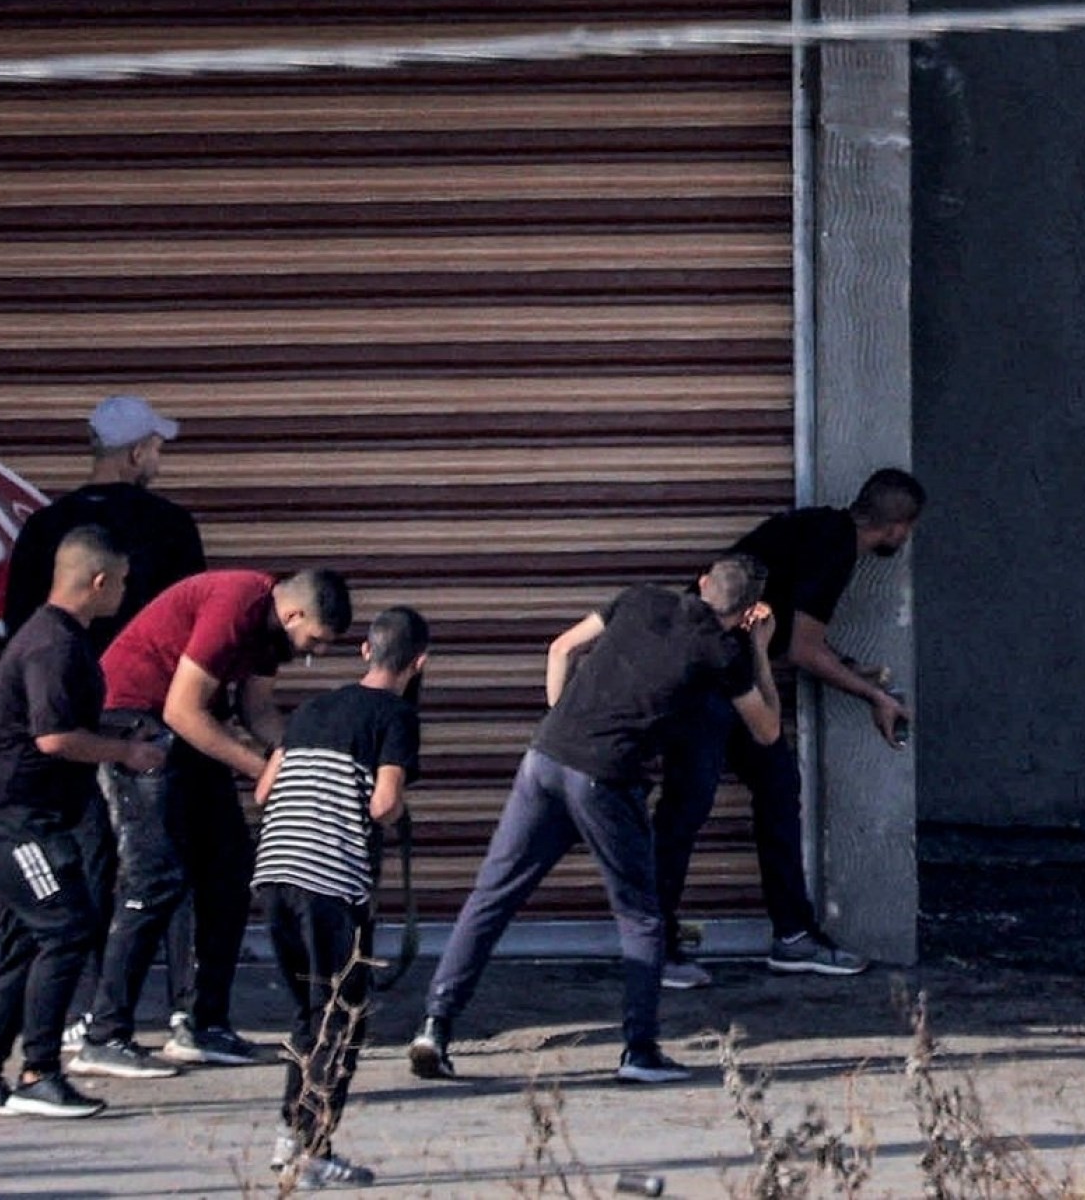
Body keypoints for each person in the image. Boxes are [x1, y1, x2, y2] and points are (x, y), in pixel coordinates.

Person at [408, 554, 778, 1087]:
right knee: (642, 916)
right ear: (746, 612)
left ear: (701, 584)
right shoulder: (724, 651)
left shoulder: (641, 596)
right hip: (605, 779)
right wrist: (760, 652)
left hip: (544, 760)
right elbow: (766, 732)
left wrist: (563, 722)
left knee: (494, 895)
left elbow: (561, 647)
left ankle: (434, 1027)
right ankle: (639, 1051)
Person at [71, 567, 354, 1079]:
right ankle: (104, 1033)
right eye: (313, 642)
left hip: (185, 729)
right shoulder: (238, 604)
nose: (313, 654)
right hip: (135, 723)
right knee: (155, 879)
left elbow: (257, 708)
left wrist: (302, 757)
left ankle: (203, 1024)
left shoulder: (270, 634)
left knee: (227, 872)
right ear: (292, 614)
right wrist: (261, 768)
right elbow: (182, 710)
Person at [652, 467, 925, 988]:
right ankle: (654, 946)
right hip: (703, 676)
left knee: (777, 790)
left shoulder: (821, 529)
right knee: (686, 807)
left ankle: (794, 936)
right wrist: (873, 696)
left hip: (734, 676)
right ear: (899, 527)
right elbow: (802, 651)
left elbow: (801, 637)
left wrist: (847, 664)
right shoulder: (835, 550)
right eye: (908, 530)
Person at [0, 530, 167, 1121]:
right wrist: (126, 754)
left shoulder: (62, 639)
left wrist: (121, 735)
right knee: (66, 930)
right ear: (98, 582)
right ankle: (39, 1072)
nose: (123, 592)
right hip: (7, 817)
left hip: (21, 816)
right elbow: (54, 738)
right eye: (119, 582)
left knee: (28, 942)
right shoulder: (52, 645)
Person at [253, 606, 427, 1191]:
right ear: (419, 662)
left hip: (275, 874)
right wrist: (398, 814)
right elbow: (382, 804)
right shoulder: (396, 716)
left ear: (365, 652)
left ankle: (291, 1138)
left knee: (310, 1015)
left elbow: (263, 789)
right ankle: (314, 1153)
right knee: (343, 1019)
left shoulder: (311, 709)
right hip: (330, 883)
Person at [2, 396, 206, 643]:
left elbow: (19, 619)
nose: (157, 462)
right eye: (156, 450)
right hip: (141, 677)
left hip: (63, 676)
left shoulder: (43, 525)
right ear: (137, 454)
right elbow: (192, 616)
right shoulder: (170, 525)